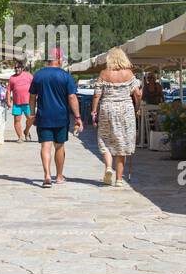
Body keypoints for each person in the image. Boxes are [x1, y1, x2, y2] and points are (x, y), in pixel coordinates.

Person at [91, 47, 143, 187]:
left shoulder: (104, 73)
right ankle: (119, 179)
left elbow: (97, 94)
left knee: (105, 139)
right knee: (122, 142)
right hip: (125, 109)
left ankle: (108, 167)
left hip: (107, 108)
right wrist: (137, 108)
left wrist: (93, 112)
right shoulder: (129, 73)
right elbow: (137, 94)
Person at [29, 59, 82, 188]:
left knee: (45, 147)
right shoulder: (65, 76)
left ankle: (47, 176)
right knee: (59, 147)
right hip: (61, 117)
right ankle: (59, 176)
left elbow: (32, 96)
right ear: (59, 59)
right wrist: (77, 117)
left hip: (43, 116)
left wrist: (32, 113)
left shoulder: (38, 75)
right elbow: (72, 97)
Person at [6, 62, 35, 142]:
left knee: (31, 118)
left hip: (28, 103)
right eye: (15, 68)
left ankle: (26, 131)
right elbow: (8, 91)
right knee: (17, 120)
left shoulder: (29, 75)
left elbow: (35, 86)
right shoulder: (12, 78)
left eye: (18, 67)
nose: (17, 69)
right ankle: (20, 137)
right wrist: (8, 101)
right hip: (17, 103)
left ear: (22, 68)